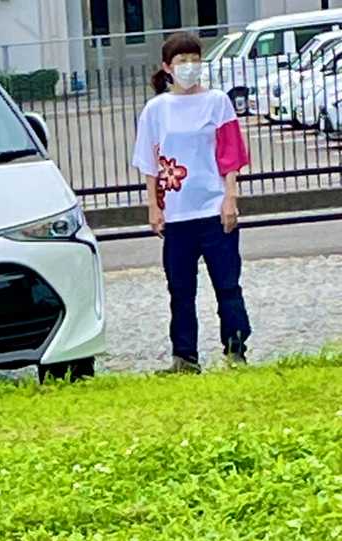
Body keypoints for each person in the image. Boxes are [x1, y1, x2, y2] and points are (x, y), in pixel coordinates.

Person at [132, 32, 252, 373]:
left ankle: (235, 348)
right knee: (181, 290)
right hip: (177, 213)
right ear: (167, 67)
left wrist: (230, 197)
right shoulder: (156, 110)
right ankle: (185, 356)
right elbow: (149, 162)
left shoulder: (217, 102)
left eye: (194, 59)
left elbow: (230, 154)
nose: (189, 67)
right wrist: (154, 206)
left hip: (213, 209)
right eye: (181, 61)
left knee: (227, 284)